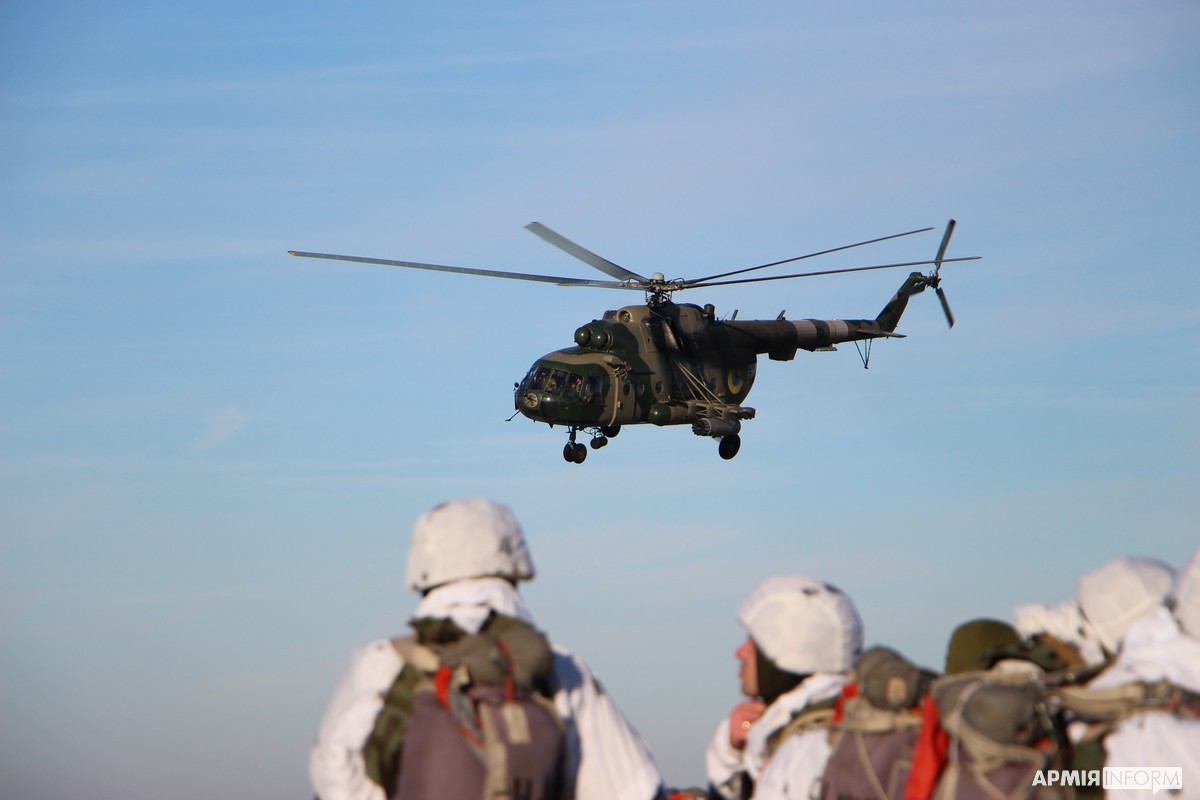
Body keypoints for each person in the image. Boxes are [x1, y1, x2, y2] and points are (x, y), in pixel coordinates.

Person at [309, 498, 665, 800]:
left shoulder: (380, 665)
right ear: (516, 564)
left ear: (420, 568)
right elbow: (637, 789)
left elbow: (334, 778)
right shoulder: (560, 670)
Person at [705, 575, 863, 800]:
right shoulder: (800, 730)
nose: (740, 652)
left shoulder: (811, 747)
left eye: (755, 641)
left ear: (791, 649)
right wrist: (733, 754)